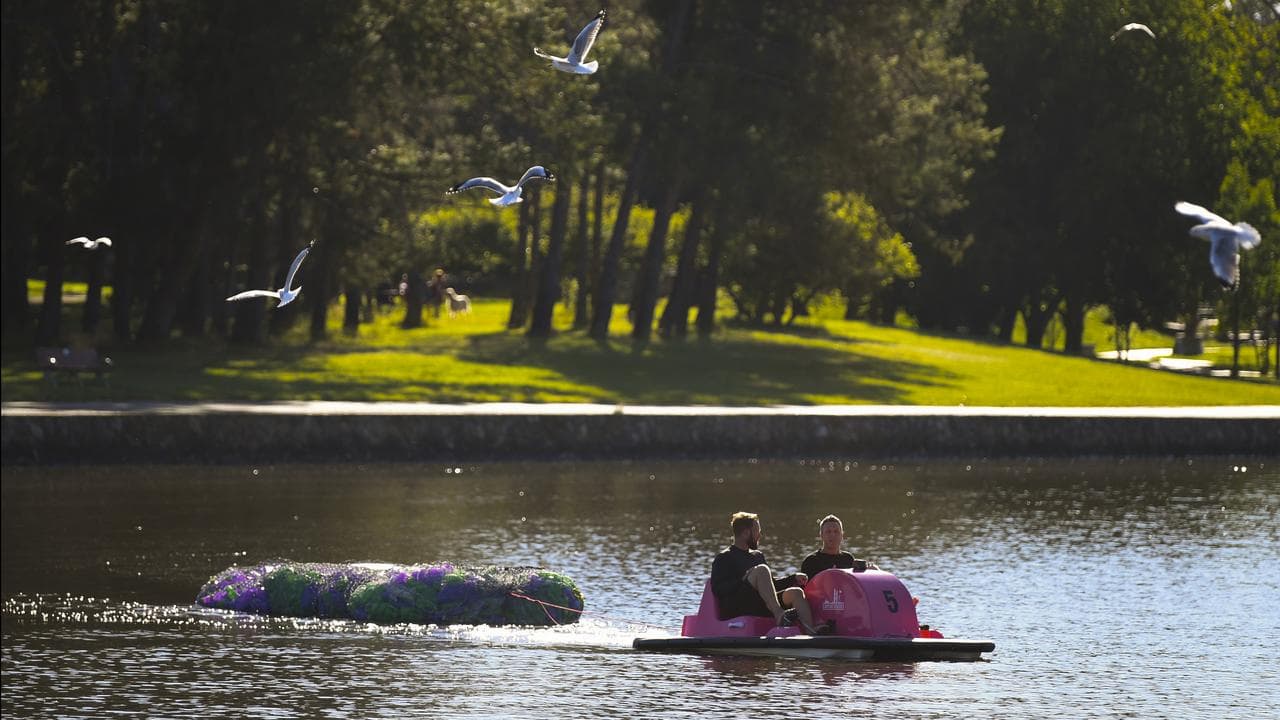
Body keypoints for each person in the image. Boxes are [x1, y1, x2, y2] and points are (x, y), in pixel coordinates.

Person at [710, 511, 828, 634]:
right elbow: (718, 589)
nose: (760, 535)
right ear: (745, 533)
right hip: (738, 607)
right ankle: (780, 616)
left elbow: (771, 585)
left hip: (762, 604)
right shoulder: (724, 558)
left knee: (796, 592)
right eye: (757, 531)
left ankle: (811, 632)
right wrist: (744, 579)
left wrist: (793, 578)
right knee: (761, 570)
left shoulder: (757, 556)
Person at [800, 515, 877, 579]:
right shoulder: (811, 561)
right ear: (821, 535)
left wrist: (870, 571)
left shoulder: (848, 559)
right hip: (821, 596)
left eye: (836, 531)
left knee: (874, 569)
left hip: (844, 596)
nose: (832, 535)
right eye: (828, 532)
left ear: (842, 535)